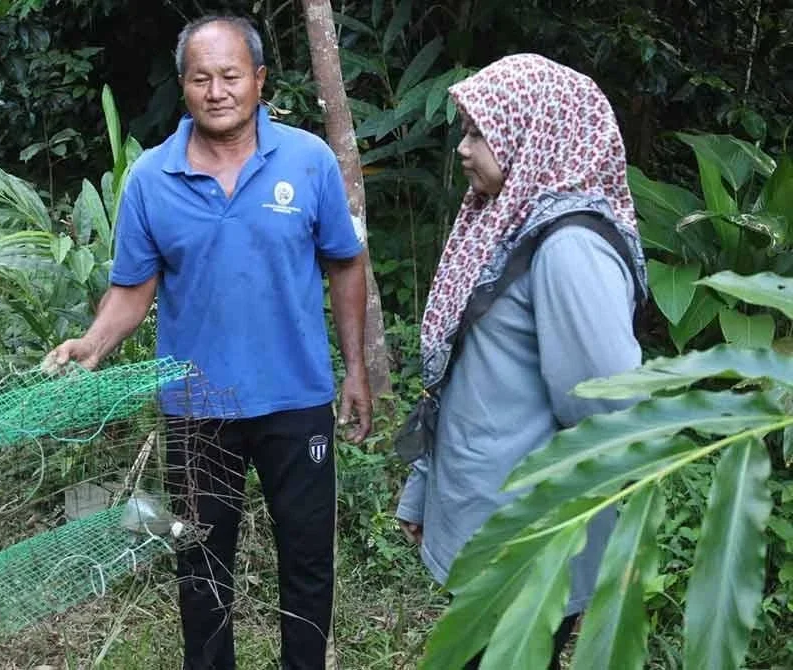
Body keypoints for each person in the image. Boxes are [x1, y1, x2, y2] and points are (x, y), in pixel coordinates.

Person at [46, 14, 371, 670]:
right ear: (183, 86)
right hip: (196, 411)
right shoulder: (151, 180)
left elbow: (346, 262)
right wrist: (94, 343)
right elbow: (132, 291)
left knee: (308, 566)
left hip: (295, 400)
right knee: (200, 571)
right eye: (201, 78)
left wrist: (356, 369)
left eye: (230, 76)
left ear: (259, 80)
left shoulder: (307, 161)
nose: (217, 90)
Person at [395, 54, 648, 668]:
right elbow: (470, 374)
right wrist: (425, 489)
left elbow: (606, 403)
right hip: (487, 517)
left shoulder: (568, 249)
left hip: (527, 535)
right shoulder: (505, 219)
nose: (463, 147)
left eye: (479, 132)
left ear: (535, 134)